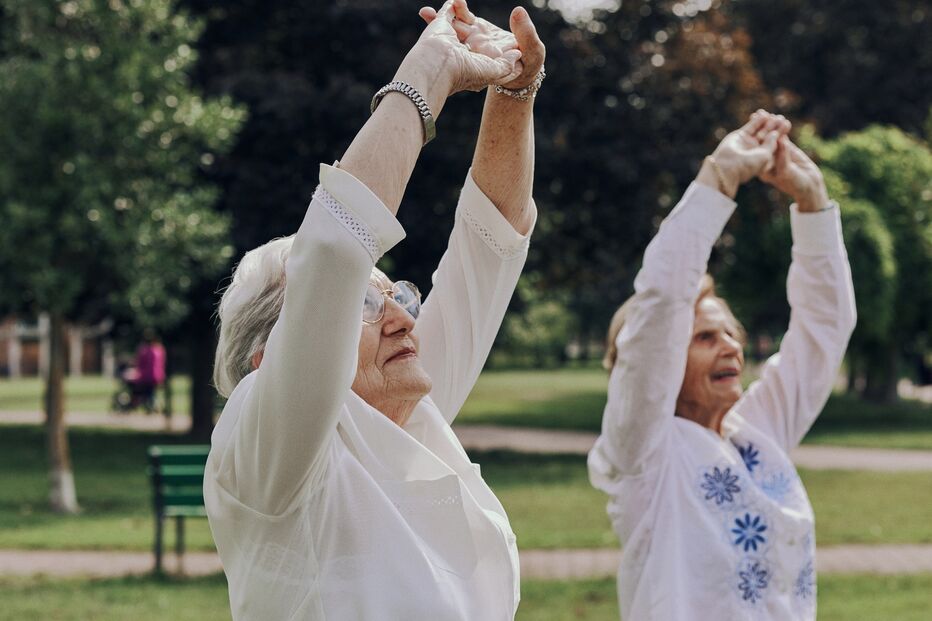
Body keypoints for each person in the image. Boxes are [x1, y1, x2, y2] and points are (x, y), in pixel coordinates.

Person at [204, 2, 545, 619]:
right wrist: (431, 70)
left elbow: (489, 246)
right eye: (364, 303)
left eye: (397, 295)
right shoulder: (267, 447)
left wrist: (515, 92)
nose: (401, 318)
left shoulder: (403, 414)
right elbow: (335, 250)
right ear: (266, 358)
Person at [589, 110, 856, 620]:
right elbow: (662, 302)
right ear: (664, 357)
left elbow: (825, 330)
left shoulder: (758, 433)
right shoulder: (645, 454)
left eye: (730, 333)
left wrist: (812, 200)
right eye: (705, 337)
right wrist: (718, 179)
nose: (731, 346)